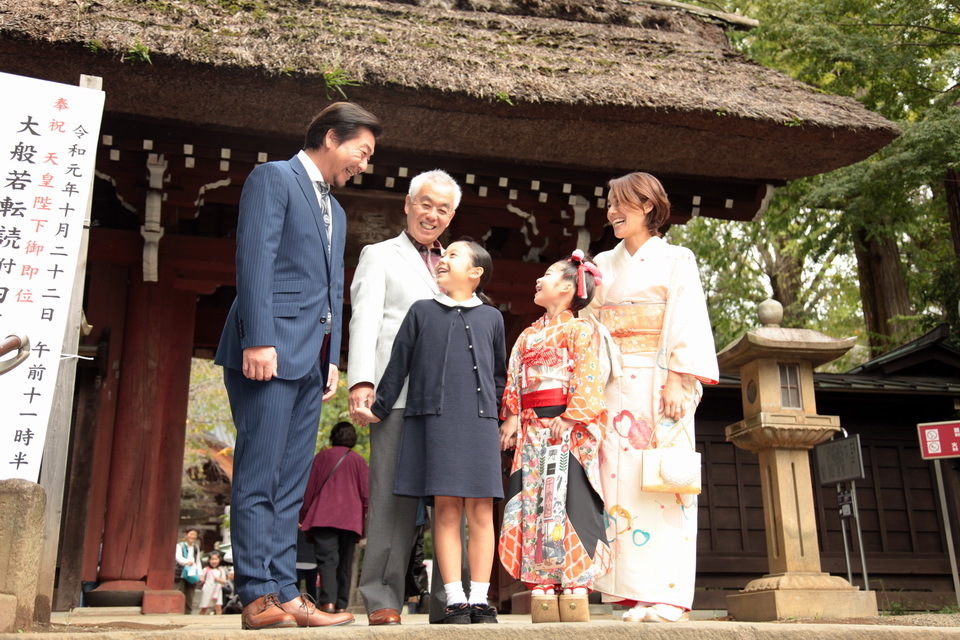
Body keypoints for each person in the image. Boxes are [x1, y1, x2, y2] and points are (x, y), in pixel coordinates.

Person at [214, 102, 381, 630]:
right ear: (332, 137)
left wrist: (330, 357)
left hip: (311, 358)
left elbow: (332, 290)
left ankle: (286, 590)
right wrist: (258, 339)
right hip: (268, 348)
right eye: (363, 151)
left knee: (290, 482)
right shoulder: (274, 177)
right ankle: (255, 593)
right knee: (259, 474)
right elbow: (255, 257)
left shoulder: (338, 208)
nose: (365, 164)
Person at [587, 172, 718, 623]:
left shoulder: (677, 258)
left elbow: (686, 316)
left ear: (646, 205)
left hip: (658, 382)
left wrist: (680, 380)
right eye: (608, 203)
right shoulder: (604, 261)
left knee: (664, 485)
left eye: (619, 203)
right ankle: (631, 589)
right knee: (616, 484)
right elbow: (591, 324)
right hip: (612, 384)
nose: (611, 211)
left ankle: (668, 592)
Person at [353, 240, 506, 624]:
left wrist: (505, 417)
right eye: (443, 255)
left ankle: (481, 599)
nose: (443, 260)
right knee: (447, 510)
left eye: (453, 255)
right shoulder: (421, 312)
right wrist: (380, 406)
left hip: (481, 422)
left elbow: (500, 375)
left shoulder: (493, 318)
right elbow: (398, 364)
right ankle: (454, 599)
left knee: (483, 512)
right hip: (435, 422)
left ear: (476, 273)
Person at [347, 169, 464, 626]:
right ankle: (382, 597)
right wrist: (361, 382)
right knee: (390, 498)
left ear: (451, 215)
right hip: (395, 395)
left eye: (442, 209)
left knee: (451, 500)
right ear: (408, 204)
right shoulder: (379, 255)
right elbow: (366, 319)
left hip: (447, 400)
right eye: (425, 204)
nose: (431, 215)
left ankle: (451, 599)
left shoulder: (457, 262)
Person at [498, 250, 610, 623]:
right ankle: (541, 580)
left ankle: (575, 580)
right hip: (533, 431)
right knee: (534, 501)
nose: (538, 280)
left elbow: (589, 377)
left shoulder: (579, 330)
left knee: (567, 499)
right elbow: (515, 377)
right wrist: (512, 417)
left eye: (546, 274)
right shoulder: (529, 335)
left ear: (566, 286)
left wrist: (572, 415)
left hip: (567, 430)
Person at [299, 421, 369, 614]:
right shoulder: (359, 461)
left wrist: (303, 515)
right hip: (350, 519)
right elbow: (366, 495)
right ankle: (342, 605)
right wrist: (364, 523)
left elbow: (310, 489)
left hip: (323, 517)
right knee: (345, 562)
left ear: (333, 437)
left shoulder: (322, 457)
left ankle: (328, 603)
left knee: (327, 561)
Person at [174, 527, 202, 614]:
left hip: (192, 574)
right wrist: (187, 562)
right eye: (191, 534)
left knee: (190, 596)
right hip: (181, 573)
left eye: (195, 535)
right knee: (179, 593)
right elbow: (178, 558)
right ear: (186, 535)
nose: (193, 536)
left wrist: (200, 574)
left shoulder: (196, 547)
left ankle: (187, 613)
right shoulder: (179, 546)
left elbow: (198, 561)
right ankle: (177, 612)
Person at [199, 551, 229, 615]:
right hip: (208, 589)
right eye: (212, 559)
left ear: (219, 560)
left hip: (217, 590)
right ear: (209, 560)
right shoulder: (205, 569)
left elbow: (224, 581)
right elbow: (201, 577)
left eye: (216, 559)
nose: (214, 561)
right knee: (205, 607)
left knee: (218, 606)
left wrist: (218, 580)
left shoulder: (221, 570)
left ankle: (219, 620)